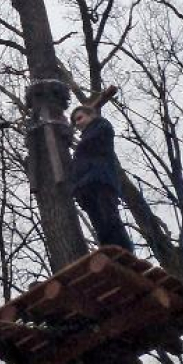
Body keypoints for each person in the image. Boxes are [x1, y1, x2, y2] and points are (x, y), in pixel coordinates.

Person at [70, 105, 134, 253]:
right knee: (99, 224)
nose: (77, 123)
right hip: (86, 186)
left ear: (91, 115)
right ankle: (109, 251)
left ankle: (125, 251)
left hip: (101, 180)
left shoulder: (102, 126)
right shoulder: (85, 142)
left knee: (110, 219)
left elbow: (92, 144)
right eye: (75, 122)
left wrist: (78, 151)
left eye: (80, 118)